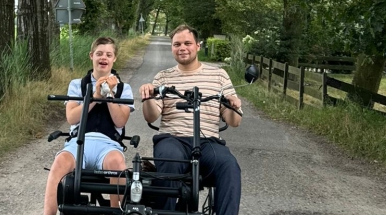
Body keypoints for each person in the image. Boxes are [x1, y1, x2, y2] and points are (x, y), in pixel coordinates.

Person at [139, 24, 243, 215]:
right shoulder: (163, 77)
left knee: (229, 166)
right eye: (177, 44)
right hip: (172, 138)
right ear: (172, 48)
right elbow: (151, 115)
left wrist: (234, 106)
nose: (182, 48)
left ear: (198, 46)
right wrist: (147, 98)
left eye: (187, 43)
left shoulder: (219, 75)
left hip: (208, 141)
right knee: (170, 161)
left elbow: (233, 121)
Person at [44, 36, 135, 215]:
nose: (104, 58)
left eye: (108, 54)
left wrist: (109, 95)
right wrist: (94, 96)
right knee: (60, 161)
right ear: (91, 56)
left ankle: (116, 212)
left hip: (108, 145)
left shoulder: (125, 88)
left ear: (114, 58)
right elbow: (71, 118)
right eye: (99, 53)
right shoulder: (77, 84)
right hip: (79, 142)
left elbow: (120, 121)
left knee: (118, 164)